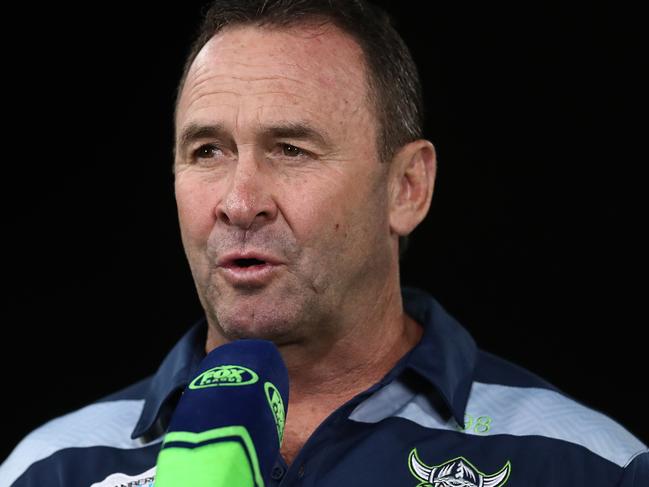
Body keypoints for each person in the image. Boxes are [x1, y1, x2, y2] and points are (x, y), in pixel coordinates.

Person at [1, 0, 646, 485]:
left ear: (407, 188)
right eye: (206, 151)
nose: (238, 201)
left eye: (290, 149)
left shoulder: (587, 464)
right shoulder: (46, 468)